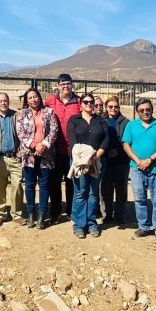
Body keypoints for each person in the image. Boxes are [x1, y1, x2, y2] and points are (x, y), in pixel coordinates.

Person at [122, 98, 156, 245]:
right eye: (141, 110)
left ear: (152, 109)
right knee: (140, 199)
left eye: (148, 109)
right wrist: (137, 160)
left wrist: (149, 159)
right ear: (138, 112)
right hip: (136, 169)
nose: (145, 112)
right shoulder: (131, 125)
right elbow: (126, 144)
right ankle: (144, 226)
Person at [66, 93, 109, 239]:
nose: (89, 104)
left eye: (92, 102)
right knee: (80, 192)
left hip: (97, 161)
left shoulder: (101, 121)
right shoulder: (74, 121)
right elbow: (73, 142)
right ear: (81, 104)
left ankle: (91, 223)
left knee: (93, 192)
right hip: (80, 162)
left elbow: (106, 140)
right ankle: (79, 225)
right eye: (86, 102)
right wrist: (86, 156)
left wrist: (97, 155)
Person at [16, 87, 59, 230]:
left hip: (46, 155)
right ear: (26, 100)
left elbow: (54, 130)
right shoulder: (22, 114)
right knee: (29, 185)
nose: (33, 99)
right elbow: (20, 133)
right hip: (29, 155)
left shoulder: (49, 112)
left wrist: (43, 146)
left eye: (35, 96)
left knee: (44, 186)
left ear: (39, 97)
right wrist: (34, 145)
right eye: (30, 97)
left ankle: (41, 215)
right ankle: (30, 214)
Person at [44, 74, 81, 223]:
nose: (65, 86)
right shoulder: (50, 102)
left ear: (72, 85)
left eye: (68, 83)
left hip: (72, 150)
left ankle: (71, 210)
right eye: (62, 84)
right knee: (54, 183)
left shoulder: (78, 102)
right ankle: (55, 211)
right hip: (54, 150)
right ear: (58, 86)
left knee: (71, 182)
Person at [0, 93, 23, 227]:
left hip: (15, 158)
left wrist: (20, 153)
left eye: (5, 100)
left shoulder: (17, 115)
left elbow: (22, 136)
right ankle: (0, 213)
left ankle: (17, 213)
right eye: (0, 101)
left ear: (9, 102)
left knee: (17, 186)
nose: (3, 103)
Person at [101, 95, 130, 227]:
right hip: (105, 160)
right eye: (110, 106)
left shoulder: (125, 122)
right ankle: (107, 214)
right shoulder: (101, 121)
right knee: (106, 189)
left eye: (116, 106)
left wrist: (118, 150)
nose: (113, 109)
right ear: (106, 108)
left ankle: (120, 215)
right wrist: (107, 151)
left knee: (121, 189)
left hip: (122, 160)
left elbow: (128, 140)